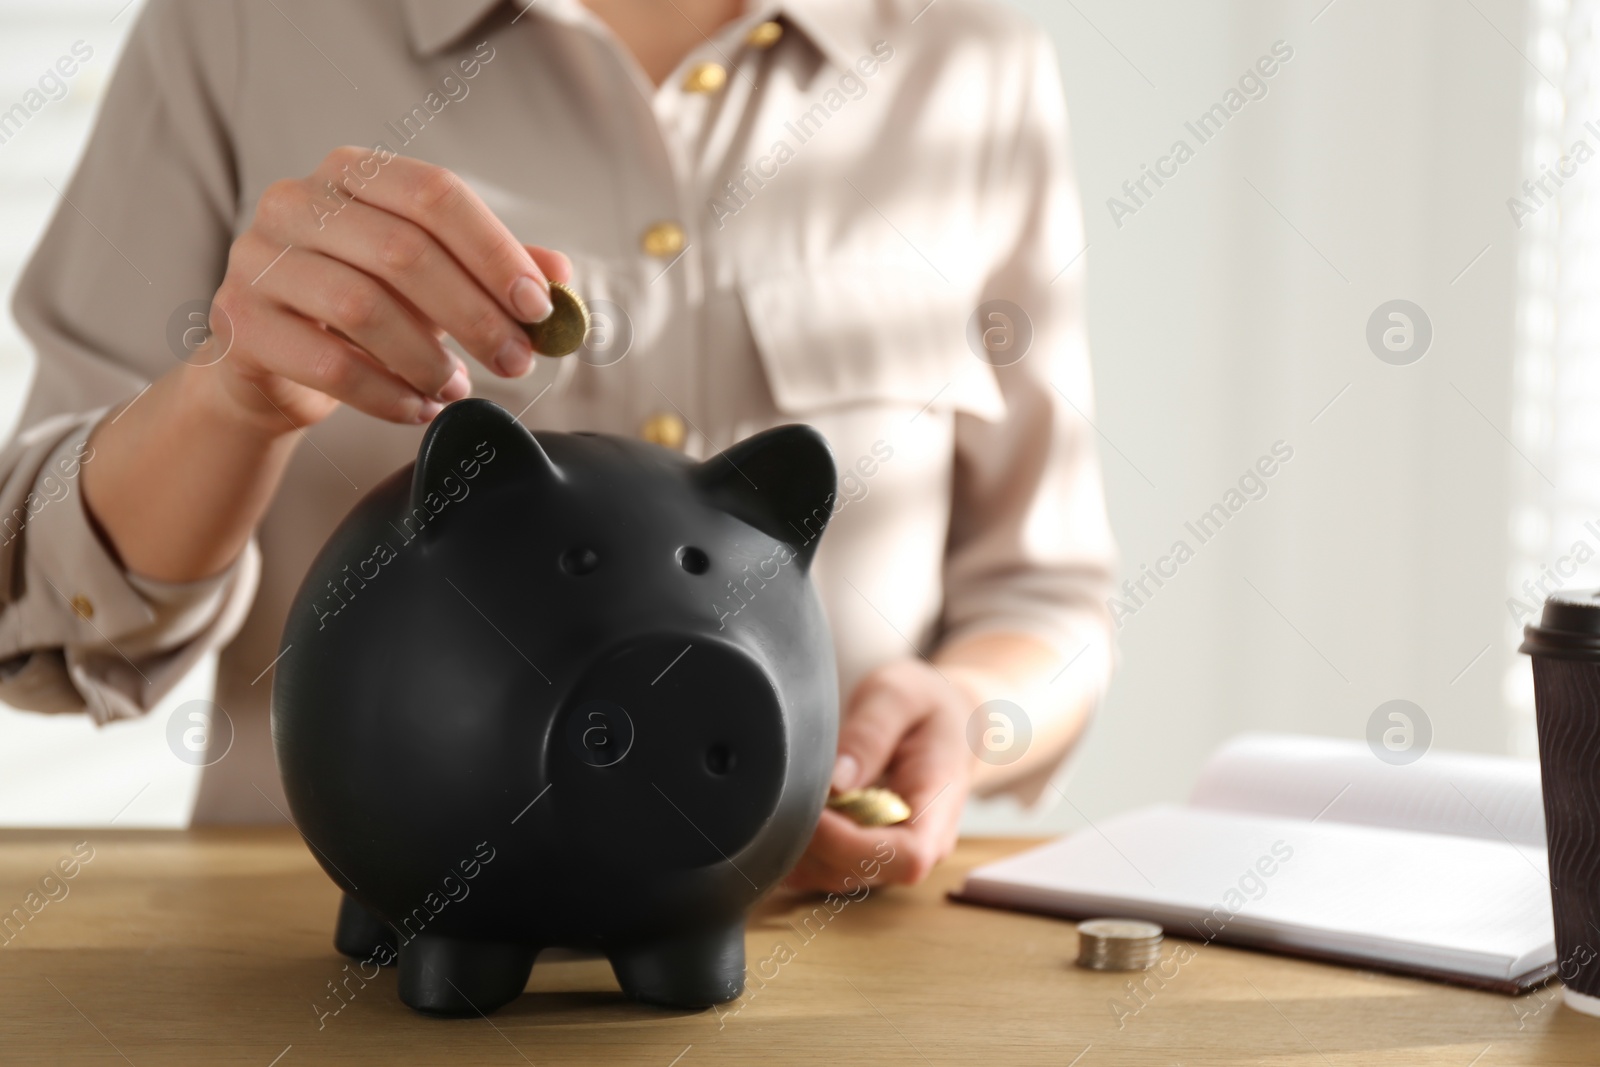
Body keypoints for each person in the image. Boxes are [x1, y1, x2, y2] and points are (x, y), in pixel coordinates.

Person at [0, 0, 1115, 894]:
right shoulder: (237, 28)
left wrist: (962, 712)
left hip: (827, 969)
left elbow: (1046, 595)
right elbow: (48, 617)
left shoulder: (970, 60)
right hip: (333, 970)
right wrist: (226, 398)